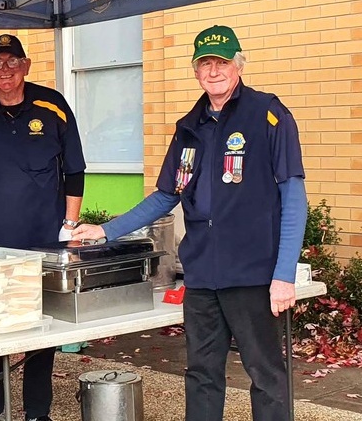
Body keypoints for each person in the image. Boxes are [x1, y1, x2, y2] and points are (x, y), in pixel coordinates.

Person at [72, 25, 307, 421]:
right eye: (205, 64)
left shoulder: (268, 115)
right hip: (202, 276)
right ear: (196, 71)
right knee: (201, 375)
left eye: (222, 62)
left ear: (238, 65)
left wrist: (284, 275)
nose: (214, 71)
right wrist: (106, 230)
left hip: (252, 273)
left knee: (266, 375)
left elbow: (294, 197)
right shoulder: (189, 128)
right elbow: (167, 195)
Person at [0, 34, 86, 421]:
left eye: (12, 62)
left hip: (44, 245)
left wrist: (70, 226)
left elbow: (75, 170)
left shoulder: (53, 107)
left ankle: (37, 413)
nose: (4, 70)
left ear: (26, 66)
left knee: (42, 334)